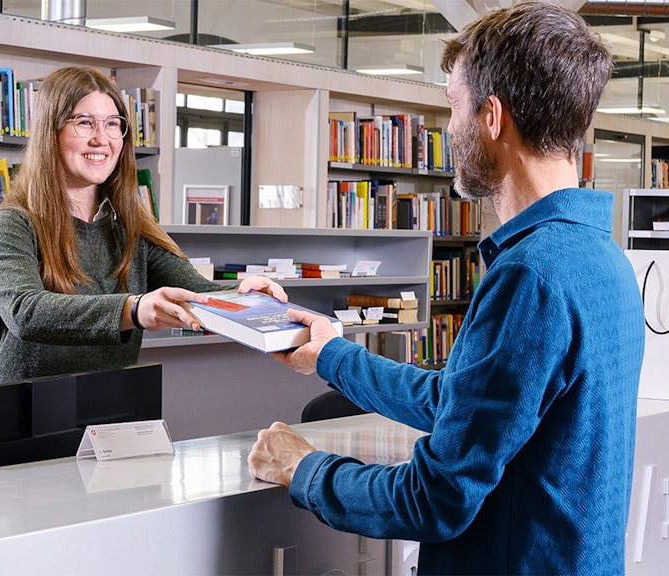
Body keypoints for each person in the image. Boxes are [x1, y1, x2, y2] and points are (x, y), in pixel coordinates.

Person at [248, 2, 644, 574]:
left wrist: (302, 467)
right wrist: (331, 354)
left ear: (491, 117)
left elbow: (434, 500)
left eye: (453, 105)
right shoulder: (602, 259)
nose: (448, 126)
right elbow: (467, 408)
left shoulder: (530, 277)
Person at [0, 65, 285, 386]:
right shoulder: (12, 223)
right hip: (20, 409)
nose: (101, 139)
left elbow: (197, 294)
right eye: (84, 123)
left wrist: (246, 293)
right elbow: (27, 313)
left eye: (113, 124)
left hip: (106, 400)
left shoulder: (131, 230)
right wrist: (133, 309)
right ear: (49, 133)